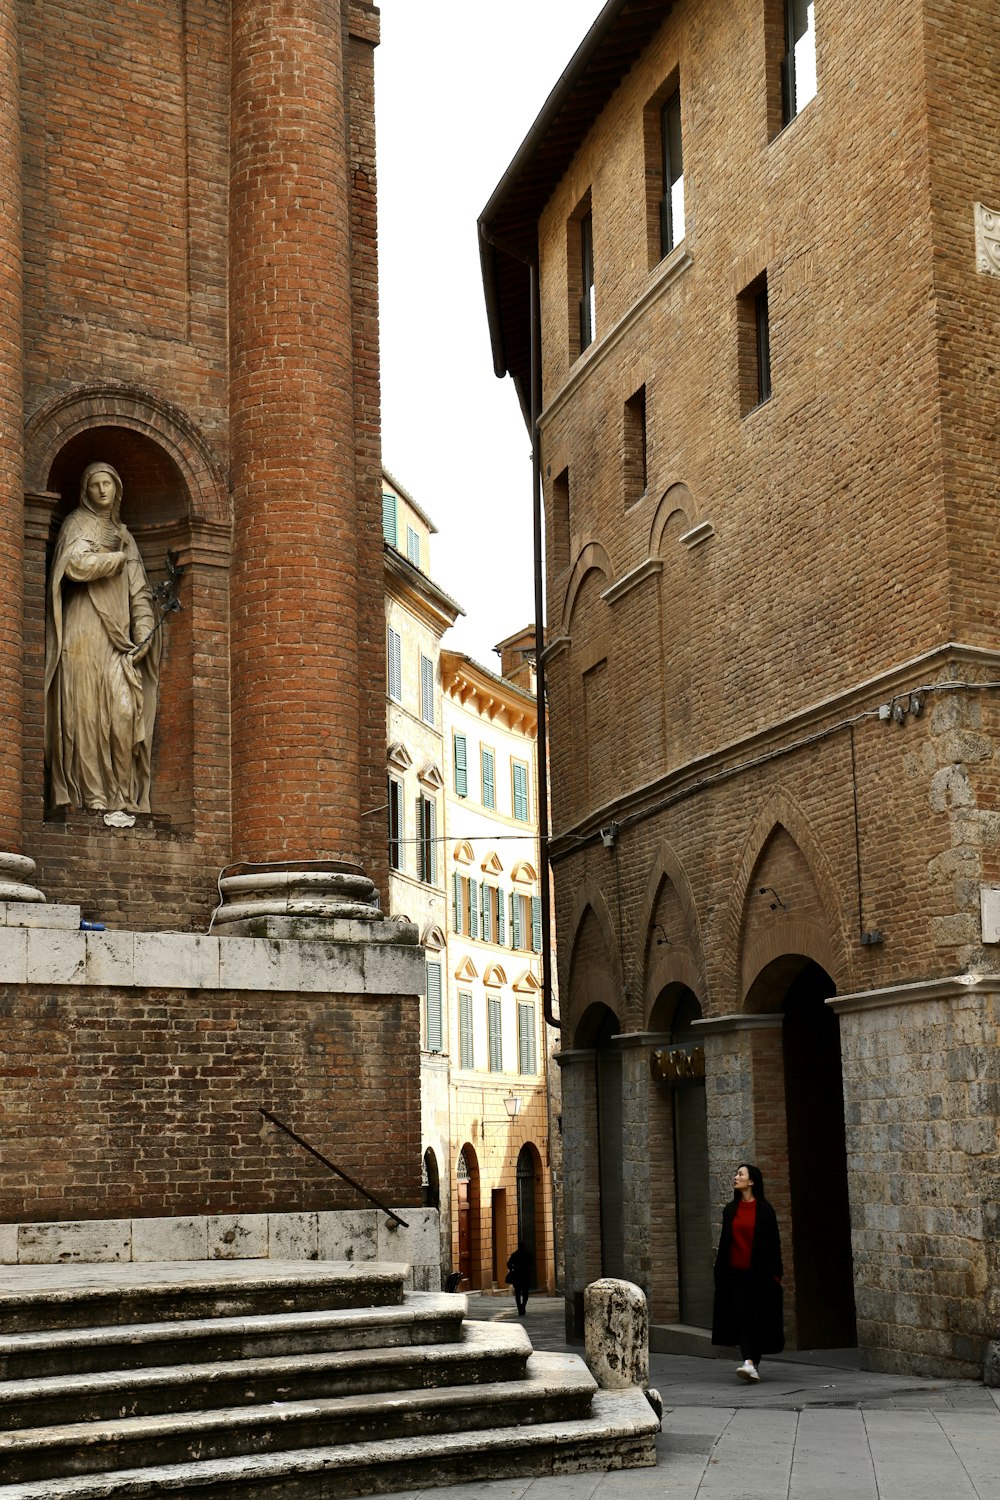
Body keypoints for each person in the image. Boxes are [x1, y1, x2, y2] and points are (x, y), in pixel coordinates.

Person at [45, 462, 161, 814]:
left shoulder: (126, 537)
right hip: (82, 630)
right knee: (84, 712)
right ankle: (91, 793)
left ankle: (122, 794)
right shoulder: (75, 524)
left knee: (123, 712)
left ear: (118, 488)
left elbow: (140, 592)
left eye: (108, 483)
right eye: (95, 484)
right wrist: (115, 558)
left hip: (119, 639)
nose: (102, 491)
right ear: (85, 490)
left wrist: (143, 633)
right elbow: (74, 565)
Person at [711, 1162, 784, 1382]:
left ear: (751, 1181)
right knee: (742, 1315)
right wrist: (720, 1272)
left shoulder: (764, 1210)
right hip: (735, 1273)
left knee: (757, 1316)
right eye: (736, 1174)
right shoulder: (730, 1210)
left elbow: (774, 1243)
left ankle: (753, 1362)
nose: (736, 1177)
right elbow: (725, 1243)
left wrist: (776, 1274)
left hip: (759, 1274)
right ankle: (749, 1362)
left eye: (740, 1174)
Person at [506, 1240, 534, 1316]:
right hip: (525, 1276)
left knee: (517, 1293)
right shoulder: (527, 1254)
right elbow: (532, 1263)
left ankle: (519, 1308)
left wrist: (512, 1268)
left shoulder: (515, 1255)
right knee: (525, 1293)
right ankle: (523, 1306)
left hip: (517, 1276)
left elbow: (508, 1264)